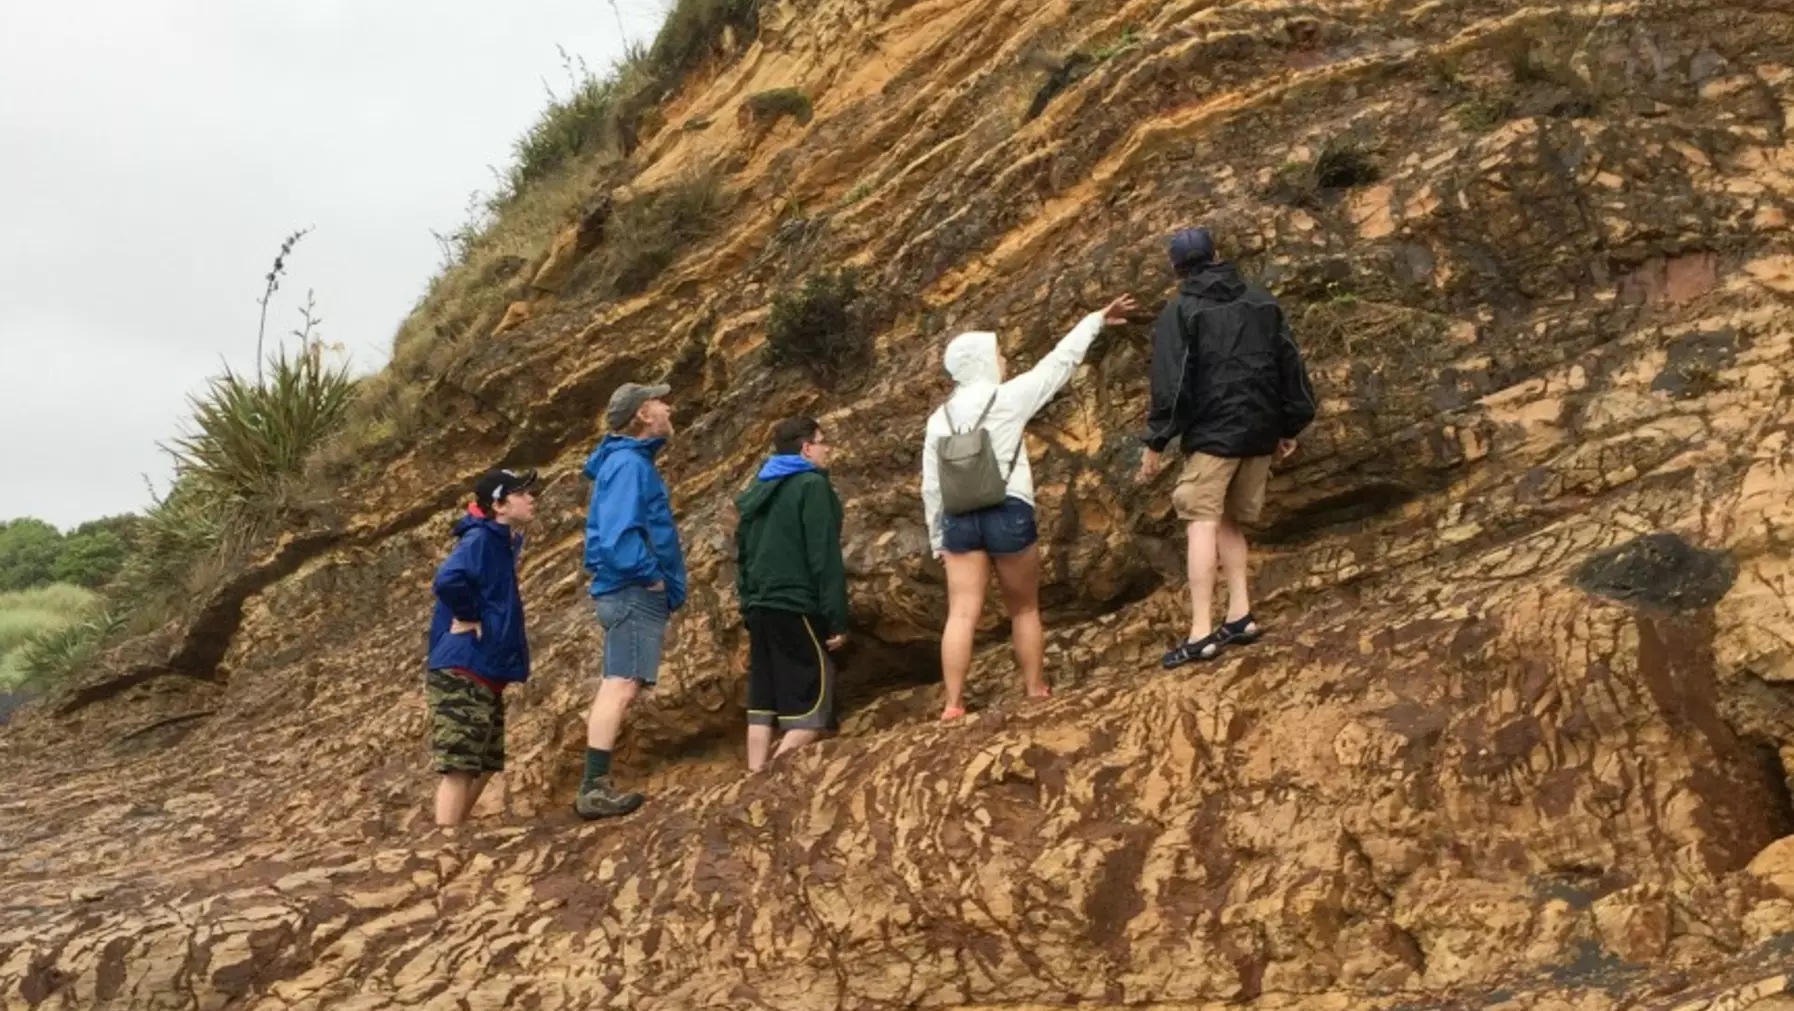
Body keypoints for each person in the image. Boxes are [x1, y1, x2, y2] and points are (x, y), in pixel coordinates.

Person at [921, 294, 1137, 720]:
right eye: (997, 353)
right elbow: (1058, 364)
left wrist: (936, 538)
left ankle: (952, 704)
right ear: (982, 361)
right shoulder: (1008, 398)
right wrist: (1095, 319)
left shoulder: (938, 420)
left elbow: (930, 486)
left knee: (962, 612)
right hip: (1008, 510)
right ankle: (1035, 689)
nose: (1003, 359)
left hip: (959, 518)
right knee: (1024, 606)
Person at [1139, 225, 1316, 668]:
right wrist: (1290, 422)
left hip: (1215, 434)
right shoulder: (1260, 300)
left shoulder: (1182, 311)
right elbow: (1288, 362)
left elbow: (1172, 382)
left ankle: (1201, 632)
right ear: (1217, 253)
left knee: (1201, 519)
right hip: (1260, 429)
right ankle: (1239, 616)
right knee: (1230, 521)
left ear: (1176, 268)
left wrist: (1157, 438)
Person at [576, 382, 687, 820]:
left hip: (628, 589)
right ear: (643, 414)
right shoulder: (628, 464)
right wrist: (653, 579)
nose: (668, 406)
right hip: (632, 590)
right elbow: (620, 535)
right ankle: (593, 786)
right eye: (661, 401)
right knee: (619, 683)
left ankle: (595, 783)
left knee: (622, 682)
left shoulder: (626, 463)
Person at [423, 467, 539, 828]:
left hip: (484, 670)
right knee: (459, 767)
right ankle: (444, 843)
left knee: (484, 764)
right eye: (522, 493)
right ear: (499, 504)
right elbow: (447, 579)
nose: (532, 498)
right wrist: (469, 615)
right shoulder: (481, 541)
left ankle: (453, 830)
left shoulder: (497, 541)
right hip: (463, 668)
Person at [734, 416, 849, 770]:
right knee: (812, 709)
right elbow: (823, 555)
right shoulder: (811, 487)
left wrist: (747, 603)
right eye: (822, 441)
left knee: (762, 703)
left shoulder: (756, 493)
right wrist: (836, 618)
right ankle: (769, 780)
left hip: (759, 607)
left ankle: (752, 774)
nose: (827, 447)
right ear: (805, 448)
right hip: (795, 606)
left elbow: (742, 555)